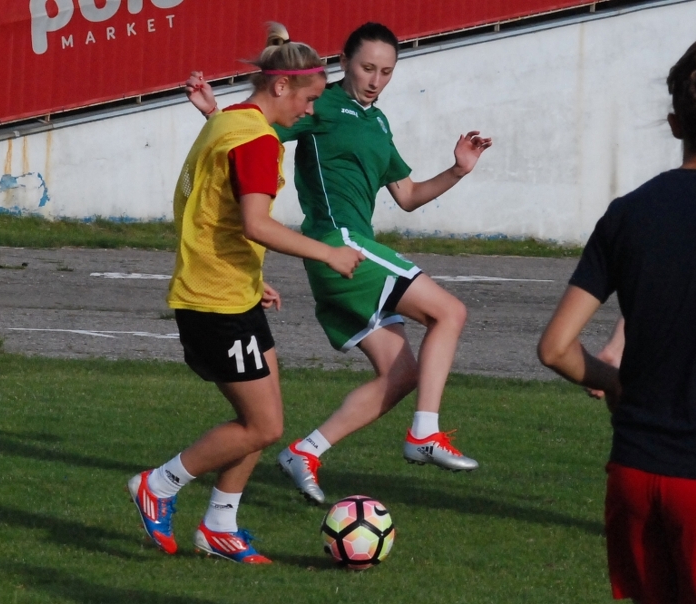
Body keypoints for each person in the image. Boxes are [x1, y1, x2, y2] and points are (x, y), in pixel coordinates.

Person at [187, 22, 492, 504]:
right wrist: (213, 113)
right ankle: (424, 433)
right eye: (367, 67)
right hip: (337, 242)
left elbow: (408, 195)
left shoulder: (378, 121)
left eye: (386, 72)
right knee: (449, 312)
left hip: (350, 252)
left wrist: (458, 169)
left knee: (401, 374)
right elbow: (257, 126)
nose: (375, 80)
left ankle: (305, 452)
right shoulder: (321, 104)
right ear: (345, 61)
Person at [538, 32, 696, 603]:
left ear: (675, 123)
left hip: (636, 472)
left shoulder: (628, 213)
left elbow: (555, 347)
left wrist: (614, 382)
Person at [127, 23, 364, 564]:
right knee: (264, 425)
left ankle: (219, 526)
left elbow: (214, 206)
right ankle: (158, 485)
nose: (310, 110)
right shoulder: (256, 140)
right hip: (214, 303)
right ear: (281, 87)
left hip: (232, 292)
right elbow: (256, 223)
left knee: (265, 419)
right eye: (308, 99)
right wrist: (327, 253)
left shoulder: (231, 119)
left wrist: (253, 280)